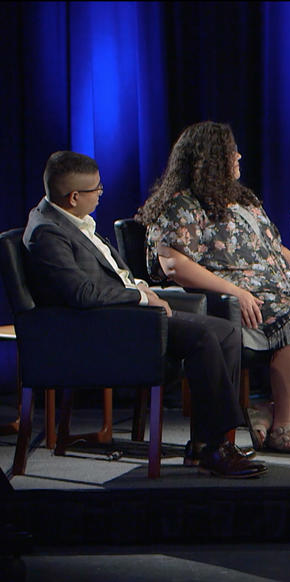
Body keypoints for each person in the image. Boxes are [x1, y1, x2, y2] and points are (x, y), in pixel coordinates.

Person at [23, 151, 266, 478]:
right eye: (96, 190)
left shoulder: (68, 218)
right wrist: (140, 297)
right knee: (205, 336)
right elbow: (80, 293)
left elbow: (106, 273)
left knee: (225, 330)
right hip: (101, 329)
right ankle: (214, 449)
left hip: (123, 314)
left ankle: (208, 443)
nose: (101, 194)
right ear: (74, 197)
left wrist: (140, 286)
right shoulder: (47, 233)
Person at [136, 121, 290, 454]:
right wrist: (236, 292)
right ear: (212, 158)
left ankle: (269, 410)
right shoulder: (183, 205)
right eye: (230, 151)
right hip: (236, 295)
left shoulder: (242, 200)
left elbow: (273, 246)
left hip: (280, 287)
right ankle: (284, 425)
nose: (238, 156)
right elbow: (174, 264)